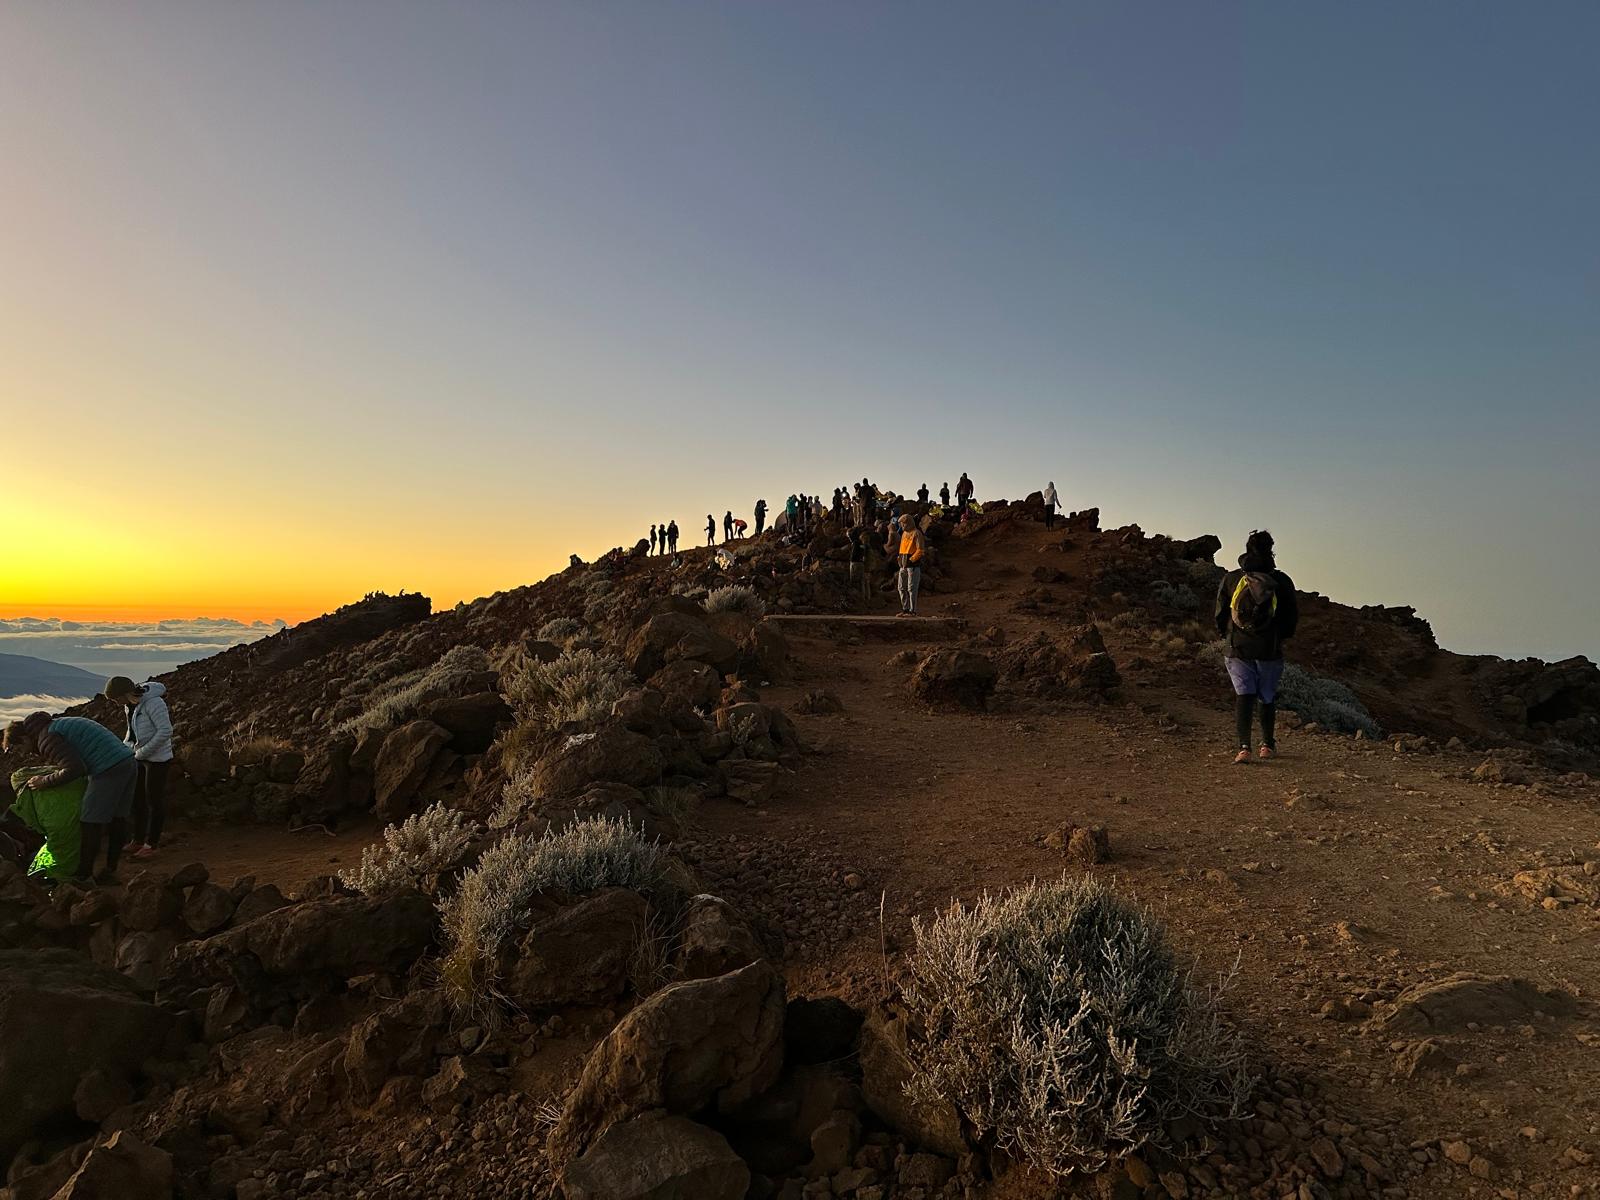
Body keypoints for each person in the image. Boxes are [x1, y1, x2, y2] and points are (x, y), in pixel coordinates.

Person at [4, 711, 137, 883]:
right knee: (118, 818)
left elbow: (75, 769)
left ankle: (84, 876)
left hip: (107, 768)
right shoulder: (57, 725)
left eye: (19, 748)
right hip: (127, 761)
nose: (23, 754)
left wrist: (44, 781)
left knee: (90, 821)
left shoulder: (46, 738)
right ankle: (110, 870)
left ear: (24, 739)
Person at [1214, 530, 1300, 764]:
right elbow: (1290, 616)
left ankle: (1244, 748)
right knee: (1267, 697)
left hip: (1238, 648)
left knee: (1244, 695)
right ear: (1271, 550)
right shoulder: (1281, 581)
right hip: (1269, 649)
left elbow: (1220, 613)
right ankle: (1267, 745)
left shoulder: (1232, 579)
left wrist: (1226, 636)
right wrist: (1281, 638)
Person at [104, 677, 174, 859]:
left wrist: (142, 752)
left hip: (157, 758)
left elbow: (165, 731)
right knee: (137, 799)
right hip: (138, 756)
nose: (115, 702)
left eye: (115, 698)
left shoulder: (154, 703)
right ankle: (138, 839)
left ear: (124, 694)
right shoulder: (129, 705)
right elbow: (132, 732)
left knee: (154, 800)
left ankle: (152, 844)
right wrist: (124, 749)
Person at [7, 765, 85, 879]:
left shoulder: (51, 814)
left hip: (66, 842)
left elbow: (60, 848)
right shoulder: (69, 779)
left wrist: (47, 876)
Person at [894, 513, 926, 616]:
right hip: (903, 564)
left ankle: (913, 610)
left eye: (903, 524)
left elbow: (920, 550)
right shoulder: (904, 534)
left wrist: (911, 560)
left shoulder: (916, 533)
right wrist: (900, 559)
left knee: (911, 588)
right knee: (901, 587)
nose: (902, 526)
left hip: (912, 565)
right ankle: (905, 609)